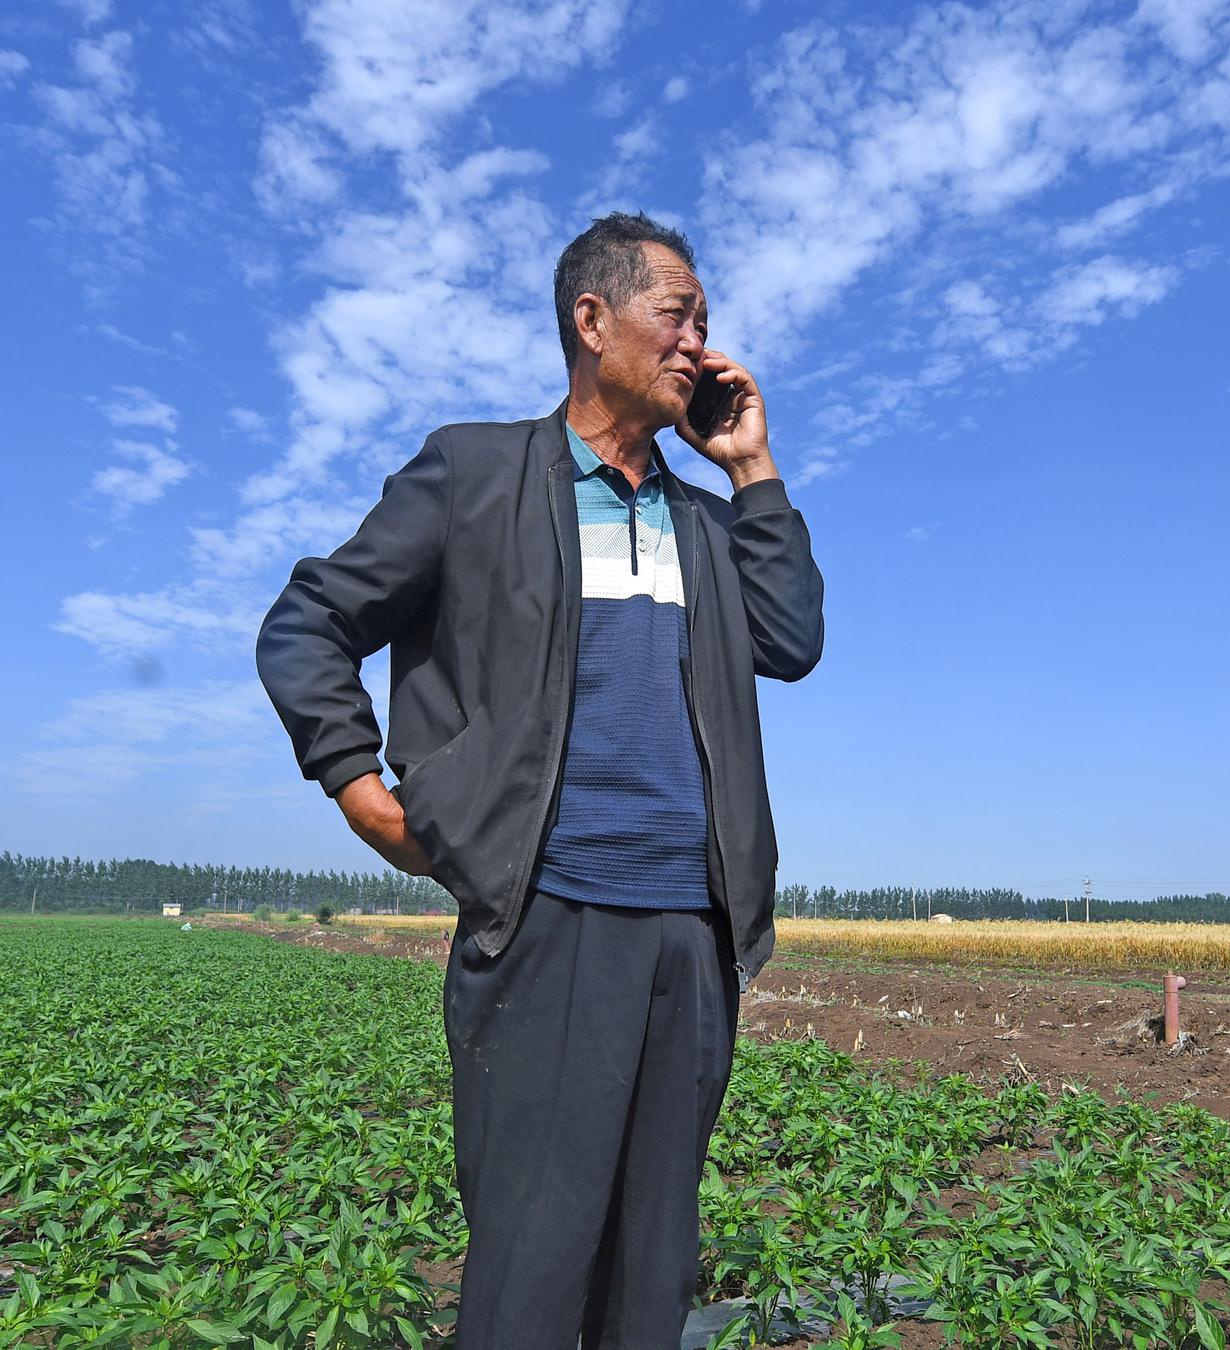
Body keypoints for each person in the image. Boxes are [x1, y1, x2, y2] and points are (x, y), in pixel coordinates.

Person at [255, 211, 825, 1347]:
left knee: (650, 1270)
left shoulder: (704, 526)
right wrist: (359, 790)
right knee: (531, 1265)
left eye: (705, 322)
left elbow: (791, 638)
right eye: (678, 314)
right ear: (591, 319)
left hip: (693, 936)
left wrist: (751, 467)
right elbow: (309, 621)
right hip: (546, 920)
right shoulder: (474, 475)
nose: (700, 343)